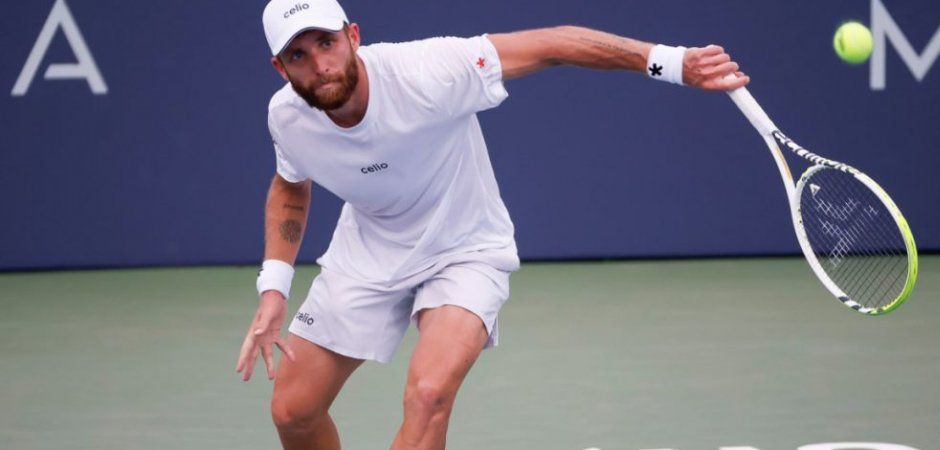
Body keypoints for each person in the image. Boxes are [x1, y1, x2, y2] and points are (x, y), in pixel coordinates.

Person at [236, 0, 750, 448]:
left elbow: (556, 43)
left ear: (353, 36)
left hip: (465, 250)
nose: (319, 65)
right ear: (280, 68)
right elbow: (290, 186)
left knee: (429, 395)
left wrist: (673, 63)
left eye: (326, 43)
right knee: (293, 411)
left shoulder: (429, 71)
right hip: (368, 253)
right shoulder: (287, 117)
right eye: (298, 55)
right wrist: (274, 288)